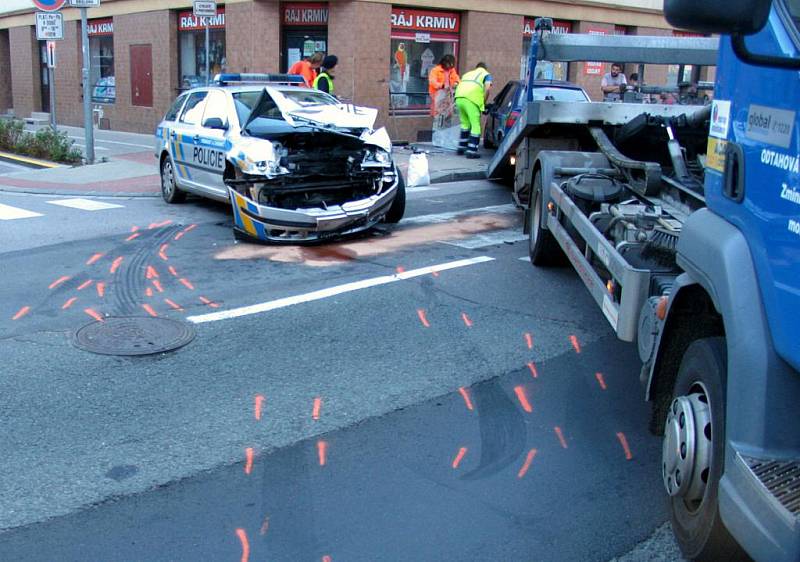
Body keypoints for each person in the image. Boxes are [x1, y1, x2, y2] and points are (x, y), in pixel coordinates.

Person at [454, 62, 492, 158]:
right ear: (485, 68)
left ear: (476, 67)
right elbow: (487, 89)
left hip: (459, 98)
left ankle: (461, 148)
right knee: (475, 126)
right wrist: (483, 103)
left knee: (465, 124)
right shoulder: (486, 74)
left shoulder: (467, 74)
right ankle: (472, 151)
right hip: (471, 100)